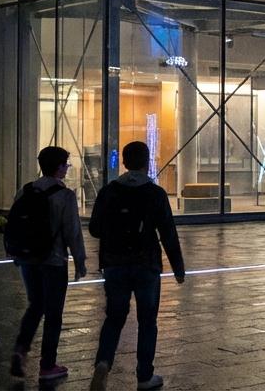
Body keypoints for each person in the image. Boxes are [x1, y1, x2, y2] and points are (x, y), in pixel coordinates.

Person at [89, 141, 186, 391]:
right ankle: (144, 376)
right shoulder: (155, 194)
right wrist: (178, 267)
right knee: (147, 320)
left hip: (114, 263)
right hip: (146, 264)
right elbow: (168, 233)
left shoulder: (109, 191)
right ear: (147, 162)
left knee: (114, 317)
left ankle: (103, 362)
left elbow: (95, 229)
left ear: (124, 162)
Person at [9, 146, 87, 382]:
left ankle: (21, 349)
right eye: (66, 164)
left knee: (35, 305)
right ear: (59, 167)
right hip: (53, 260)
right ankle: (48, 365)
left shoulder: (24, 192)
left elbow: (15, 224)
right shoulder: (64, 196)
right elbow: (72, 232)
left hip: (27, 258)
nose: (67, 168)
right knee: (53, 313)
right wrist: (80, 261)